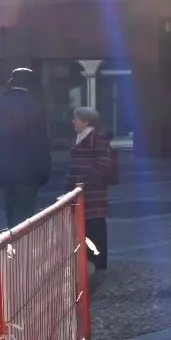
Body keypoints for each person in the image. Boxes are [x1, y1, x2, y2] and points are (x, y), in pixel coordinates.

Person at [0, 67, 51, 227]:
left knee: (11, 214)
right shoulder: (34, 107)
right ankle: (19, 250)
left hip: (3, 173)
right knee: (24, 218)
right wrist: (43, 172)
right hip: (28, 173)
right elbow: (39, 143)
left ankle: (11, 249)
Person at [66, 106, 118, 272]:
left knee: (95, 226)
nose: (73, 122)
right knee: (83, 226)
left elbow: (104, 163)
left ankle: (99, 261)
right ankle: (87, 259)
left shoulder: (97, 138)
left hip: (93, 192)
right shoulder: (77, 138)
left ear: (85, 121)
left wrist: (87, 178)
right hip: (79, 192)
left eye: (76, 118)